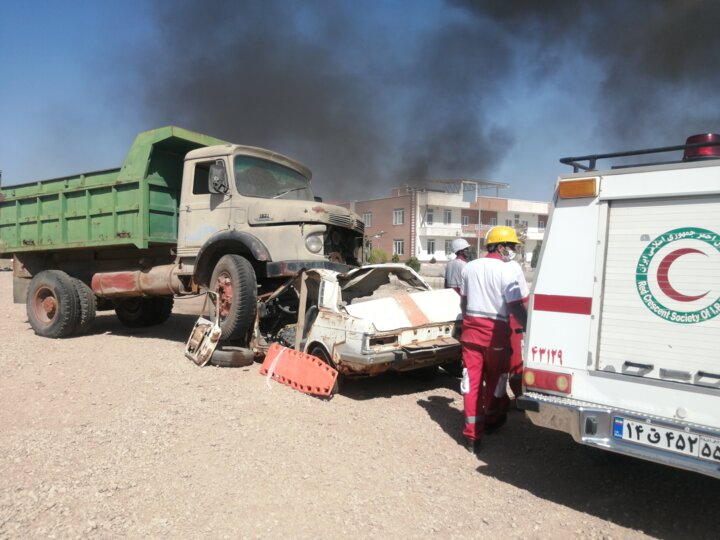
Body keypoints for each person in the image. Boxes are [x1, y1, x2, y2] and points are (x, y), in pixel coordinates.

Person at [459, 226, 529, 453]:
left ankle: (472, 437)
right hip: (496, 334)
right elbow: (515, 306)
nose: (512, 251)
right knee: (496, 381)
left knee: (471, 383)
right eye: (511, 247)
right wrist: (530, 326)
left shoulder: (469, 267)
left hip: (470, 332)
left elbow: (463, 302)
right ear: (500, 247)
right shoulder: (507, 270)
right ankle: (490, 421)